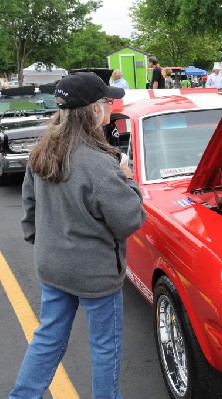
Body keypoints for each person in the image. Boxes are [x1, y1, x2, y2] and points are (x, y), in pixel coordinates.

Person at [9, 72, 146, 399]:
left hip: (52, 266)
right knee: (104, 348)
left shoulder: (42, 150)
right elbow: (130, 219)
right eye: (106, 101)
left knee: (48, 338)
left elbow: (29, 204)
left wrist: (42, 242)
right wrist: (127, 178)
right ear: (91, 110)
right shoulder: (100, 164)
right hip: (95, 274)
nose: (110, 106)